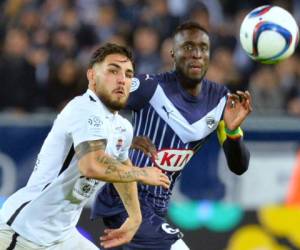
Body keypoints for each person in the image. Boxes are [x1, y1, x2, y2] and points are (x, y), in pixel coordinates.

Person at [93, 22, 252, 250]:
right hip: (126, 198)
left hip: (157, 208)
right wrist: (122, 137)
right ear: (173, 54)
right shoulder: (151, 88)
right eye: (187, 47)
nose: (196, 54)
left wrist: (234, 131)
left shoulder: (220, 100)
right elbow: (94, 105)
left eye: (203, 48)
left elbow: (239, 167)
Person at [0, 43, 170, 250]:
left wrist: (135, 217)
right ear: (92, 76)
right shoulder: (83, 109)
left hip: (62, 236)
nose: (121, 80)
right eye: (113, 71)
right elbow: (92, 165)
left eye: (128, 74)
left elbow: (122, 167)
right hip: (24, 233)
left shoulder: (122, 127)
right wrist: (142, 173)